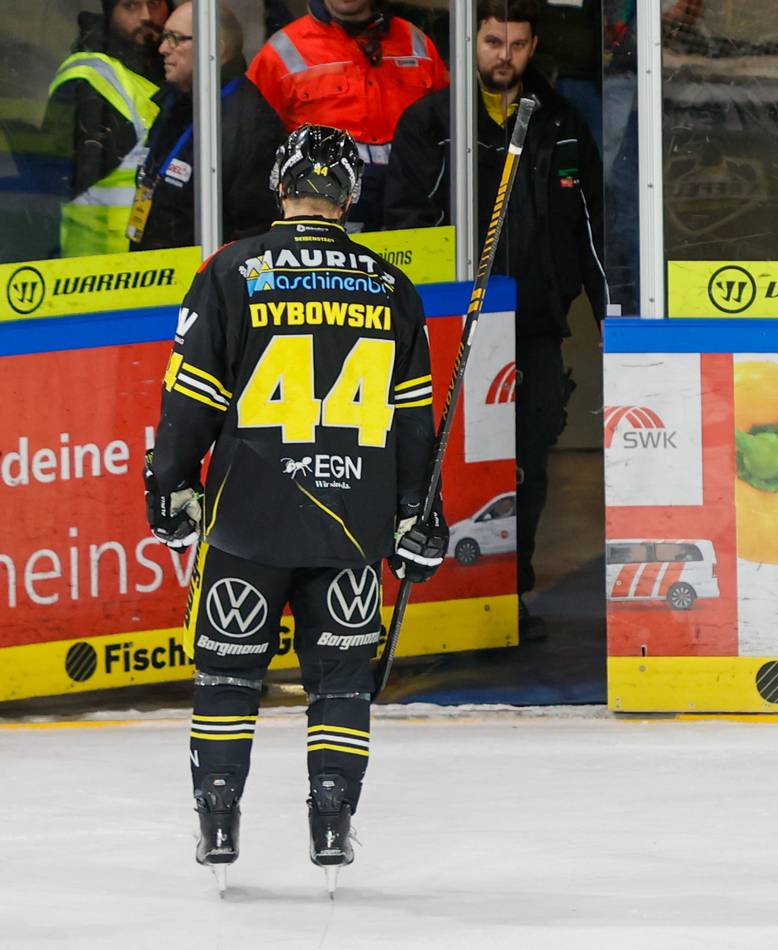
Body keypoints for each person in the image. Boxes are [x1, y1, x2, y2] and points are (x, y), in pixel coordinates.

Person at [143, 125, 448, 889]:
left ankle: (218, 820)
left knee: (227, 674)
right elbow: (414, 422)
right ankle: (333, 821)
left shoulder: (232, 270)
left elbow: (191, 399)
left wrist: (169, 485)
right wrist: (420, 513)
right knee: (341, 682)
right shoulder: (391, 286)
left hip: (249, 516)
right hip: (354, 522)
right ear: (351, 195)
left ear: (280, 186)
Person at [384, 0, 607, 637]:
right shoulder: (432, 122)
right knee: (447, 458)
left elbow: (592, 227)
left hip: (534, 324)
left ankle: (511, 593)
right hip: (456, 328)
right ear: (471, 42)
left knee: (527, 459)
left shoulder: (560, 122)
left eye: (516, 44)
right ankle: (443, 593)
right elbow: (404, 226)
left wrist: (609, 320)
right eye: (492, 42)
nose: (504, 56)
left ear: (534, 47)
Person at [247, 0, 448, 233]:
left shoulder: (416, 42)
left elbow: (448, 124)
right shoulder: (281, 51)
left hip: (412, 213)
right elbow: (251, 149)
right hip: (323, 215)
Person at [127, 1, 285, 250]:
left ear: (214, 50)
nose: (162, 48)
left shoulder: (250, 125)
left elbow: (252, 230)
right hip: (158, 265)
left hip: (204, 268)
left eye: (175, 39)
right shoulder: (177, 102)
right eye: (165, 37)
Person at [43, 0, 173, 256]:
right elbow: (53, 188)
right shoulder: (91, 79)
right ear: (110, 13)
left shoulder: (168, 76)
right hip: (98, 268)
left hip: (158, 266)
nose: (147, 16)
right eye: (131, 6)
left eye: (155, 3)